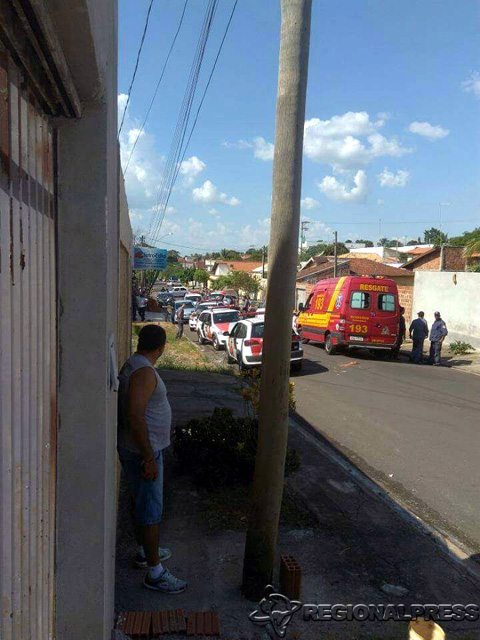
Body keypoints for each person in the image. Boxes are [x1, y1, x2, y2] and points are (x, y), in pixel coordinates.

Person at [117, 325, 187, 593]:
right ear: (163, 347)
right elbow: (136, 416)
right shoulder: (144, 372)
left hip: (139, 450)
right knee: (150, 510)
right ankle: (155, 573)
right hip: (143, 453)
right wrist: (148, 457)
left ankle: (146, 553)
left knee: (141, 504)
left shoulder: (134, 364)